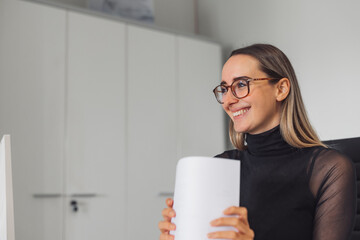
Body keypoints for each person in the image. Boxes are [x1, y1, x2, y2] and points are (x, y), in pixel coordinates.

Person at [158, 44, 357, 240]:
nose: (228, 101)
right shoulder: (220, 166)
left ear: (281, 89)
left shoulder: (329, 169)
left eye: (241, 85)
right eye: (225, 89)